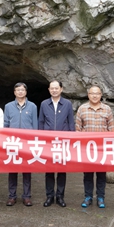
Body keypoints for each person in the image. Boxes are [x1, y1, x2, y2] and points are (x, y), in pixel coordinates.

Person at [75, 85, 114, 208]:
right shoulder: (82, 109)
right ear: (88, 95)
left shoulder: (107, 109)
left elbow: (112, 130)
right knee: (88, 174)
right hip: (87, 149)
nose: (95, 95)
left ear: (101, 95)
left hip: (102, 148)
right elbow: (77, 130)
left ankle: (101, 197)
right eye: (92, 93)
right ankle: (88, 197)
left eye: (97, 93)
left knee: (101, 174)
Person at [38, 80, 75, 208]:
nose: (54, 90)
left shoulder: (67, 104)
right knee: (48, 170)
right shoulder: (44, 104)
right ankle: (49, 196)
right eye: (52, 88)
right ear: (49, 90)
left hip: (63, 142)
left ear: (61, 89)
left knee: (61, 170)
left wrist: (71, 139)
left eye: (56, 88)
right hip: (48, 142)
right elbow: (41, 122)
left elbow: (71, 122)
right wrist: (41, 139)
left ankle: (60, 196)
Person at [3, 82, 38, 206]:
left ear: (26, 92)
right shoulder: (8, 106)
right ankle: (12, 196)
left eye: (22, 90)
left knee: (27, 170)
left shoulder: (32, 106)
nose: (20, 92)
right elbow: (5, 124)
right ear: (14, 92)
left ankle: (27, 196)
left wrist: (34, 141)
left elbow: (35, 125)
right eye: (18, 90)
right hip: (13, 142)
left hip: (27, 143)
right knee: (12, 170)